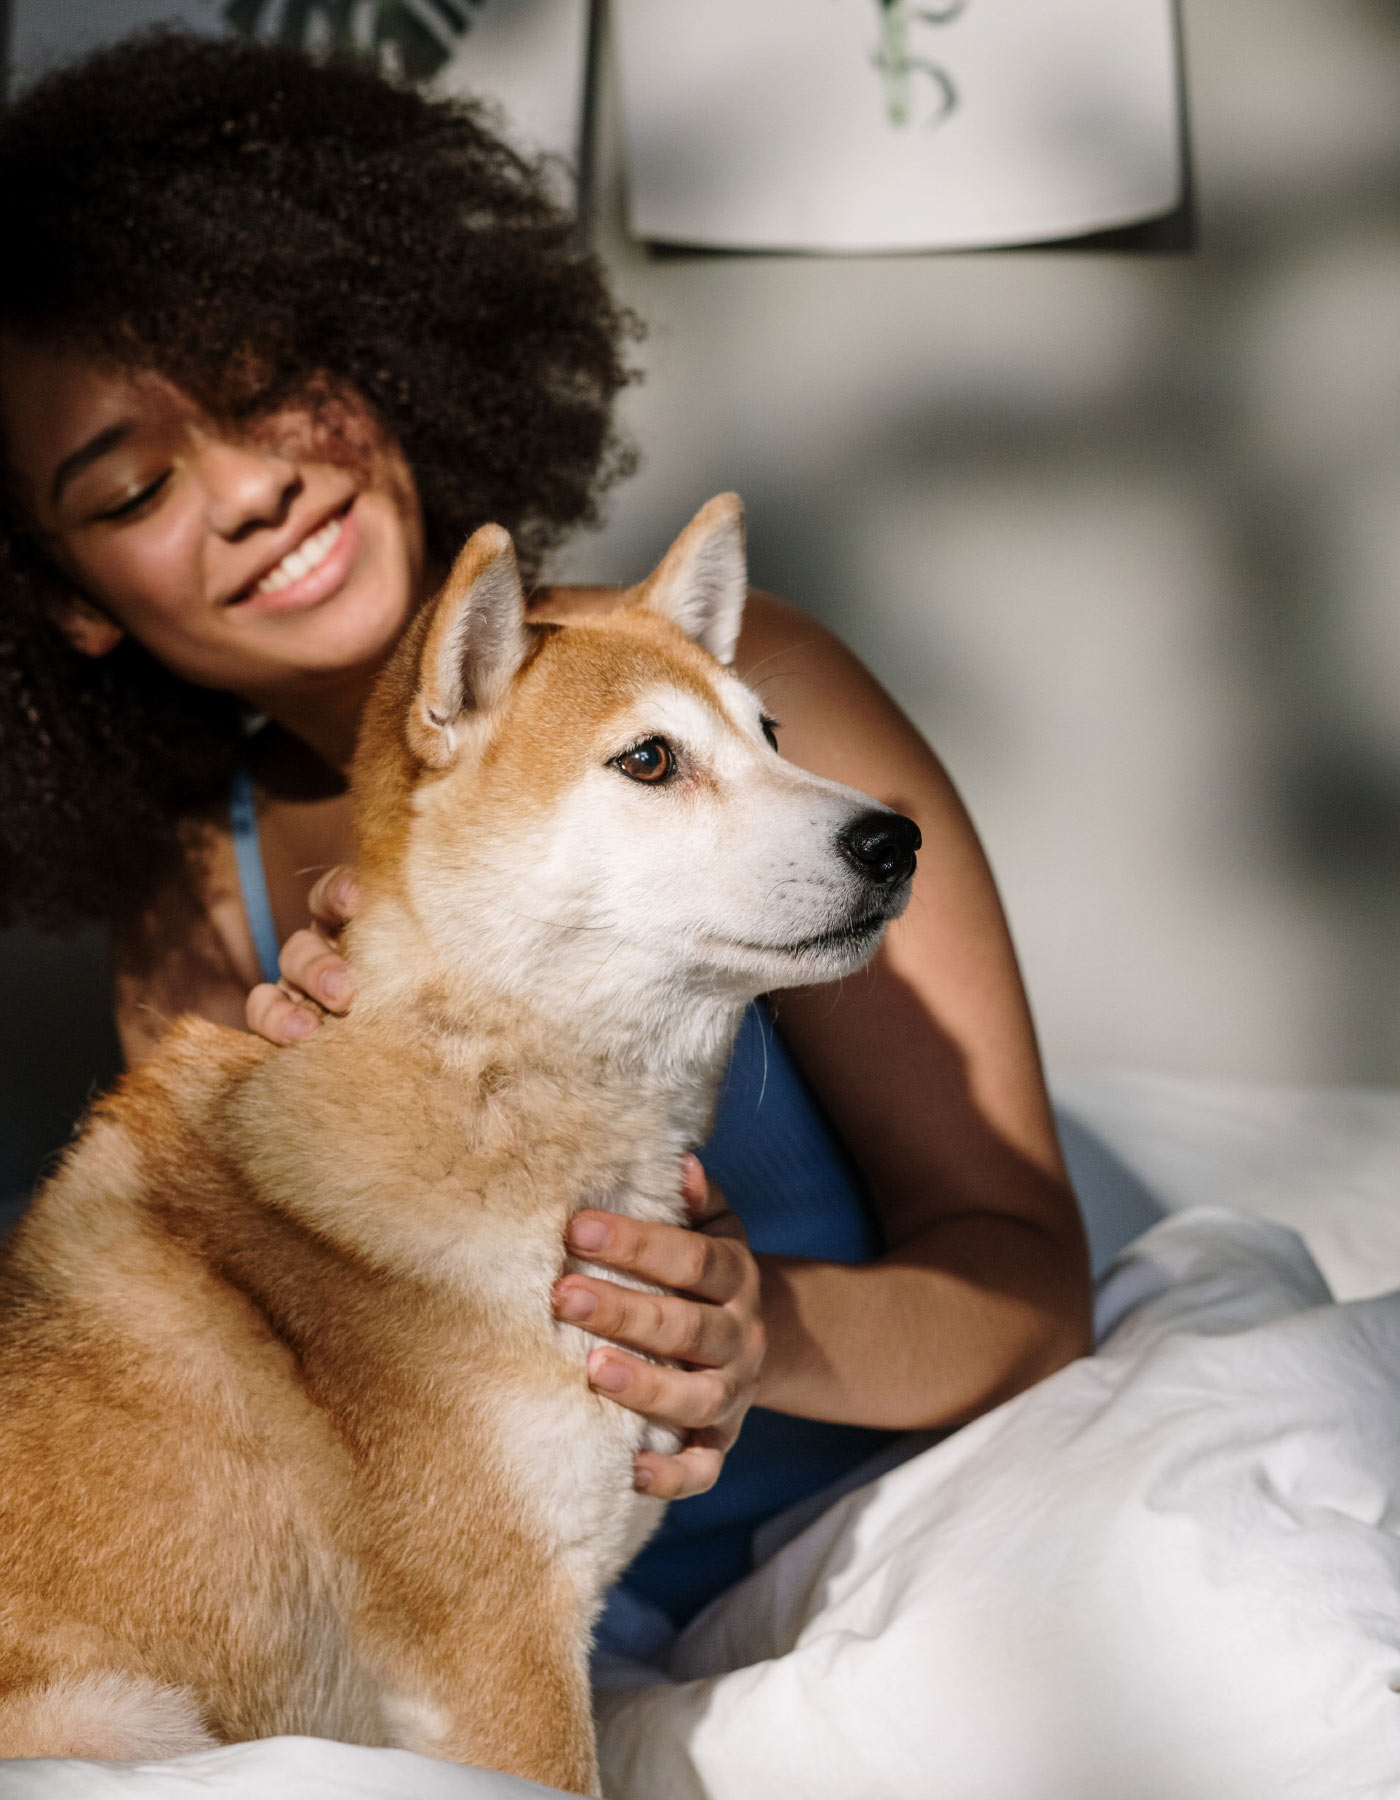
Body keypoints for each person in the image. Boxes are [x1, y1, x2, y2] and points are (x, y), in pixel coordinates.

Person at [0, 31, 1091, 1647]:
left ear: (383, 352)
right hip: (530, 1623)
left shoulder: (748, 695)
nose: (250, 488)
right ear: (69, 603)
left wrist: (754, 1332)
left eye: (264, 383)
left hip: (902, 1546)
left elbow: (1031, 1292)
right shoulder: (198, 890)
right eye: (133, 489)